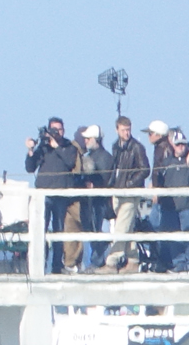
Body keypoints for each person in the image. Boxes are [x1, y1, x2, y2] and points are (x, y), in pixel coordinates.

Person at [25, 117, 80, 273]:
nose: (57, 133)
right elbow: (30, 168)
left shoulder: (68, 146)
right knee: (40, 230)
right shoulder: (43, 147)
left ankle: (57, 265)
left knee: (58, 231)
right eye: (54, 130)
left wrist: (57, 146)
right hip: (44, 194)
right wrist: (30, 150)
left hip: (61, 194)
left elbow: (70, 162)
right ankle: (39, 265)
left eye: (60, 130)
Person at [101, 116, 151, 273]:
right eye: (123, 130)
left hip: (130, 192)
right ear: (117, 130)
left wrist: (130, 184)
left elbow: (145, 169)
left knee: (121, 227)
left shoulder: (137, 147)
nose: (126, 133)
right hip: (118, 191)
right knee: (127, 227)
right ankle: (133, 260)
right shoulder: (116, 146)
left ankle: (111, 261)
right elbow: (115, 169)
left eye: (128, 129)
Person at [158, 130, 189, 272]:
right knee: (172, 235)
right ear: (173, 145)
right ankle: (178, 264)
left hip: (188, 205)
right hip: (170, 206)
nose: (181, 147)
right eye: (178, 144)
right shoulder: (167, 162)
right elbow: (159, 180)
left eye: (183, 144)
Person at [73, 125, 113, 269]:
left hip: (99, 202)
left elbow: (107, 180)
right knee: (90, 230)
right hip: (89, 201)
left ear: (96, 139)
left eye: (88, 138)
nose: (86, 141)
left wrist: (93, 183)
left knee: (96, 230)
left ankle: (97, 261)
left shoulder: (105, 157)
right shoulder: (89, 157)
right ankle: (94, 261)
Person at [147, 120, 182, 271]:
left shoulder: (162, 149)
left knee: (158, 227)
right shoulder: (164, 148)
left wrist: (156, 189)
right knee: (162, 227)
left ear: (157, 135)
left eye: (150, 133)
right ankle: (165, 261)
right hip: (163, 195)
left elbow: (159, 172)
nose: (148, 137)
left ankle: (165, 261)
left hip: (163, 196)